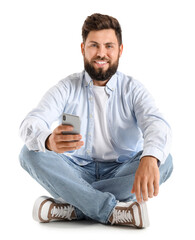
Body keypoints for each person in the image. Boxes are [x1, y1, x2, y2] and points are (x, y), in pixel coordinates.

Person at [19, 13, 173, 228]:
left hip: (120, 171)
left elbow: (156, 123)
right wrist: (48, 141)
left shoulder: (133, 89)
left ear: (120, 50)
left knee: (163, 160)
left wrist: (149, 156)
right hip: (75, 171)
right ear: (83, 49)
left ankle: (75, 205)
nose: (101, 53)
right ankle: (109, 209)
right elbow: (31, 123)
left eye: (109, 46)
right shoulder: (66, 87)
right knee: (29, 153)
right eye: (94, 45)